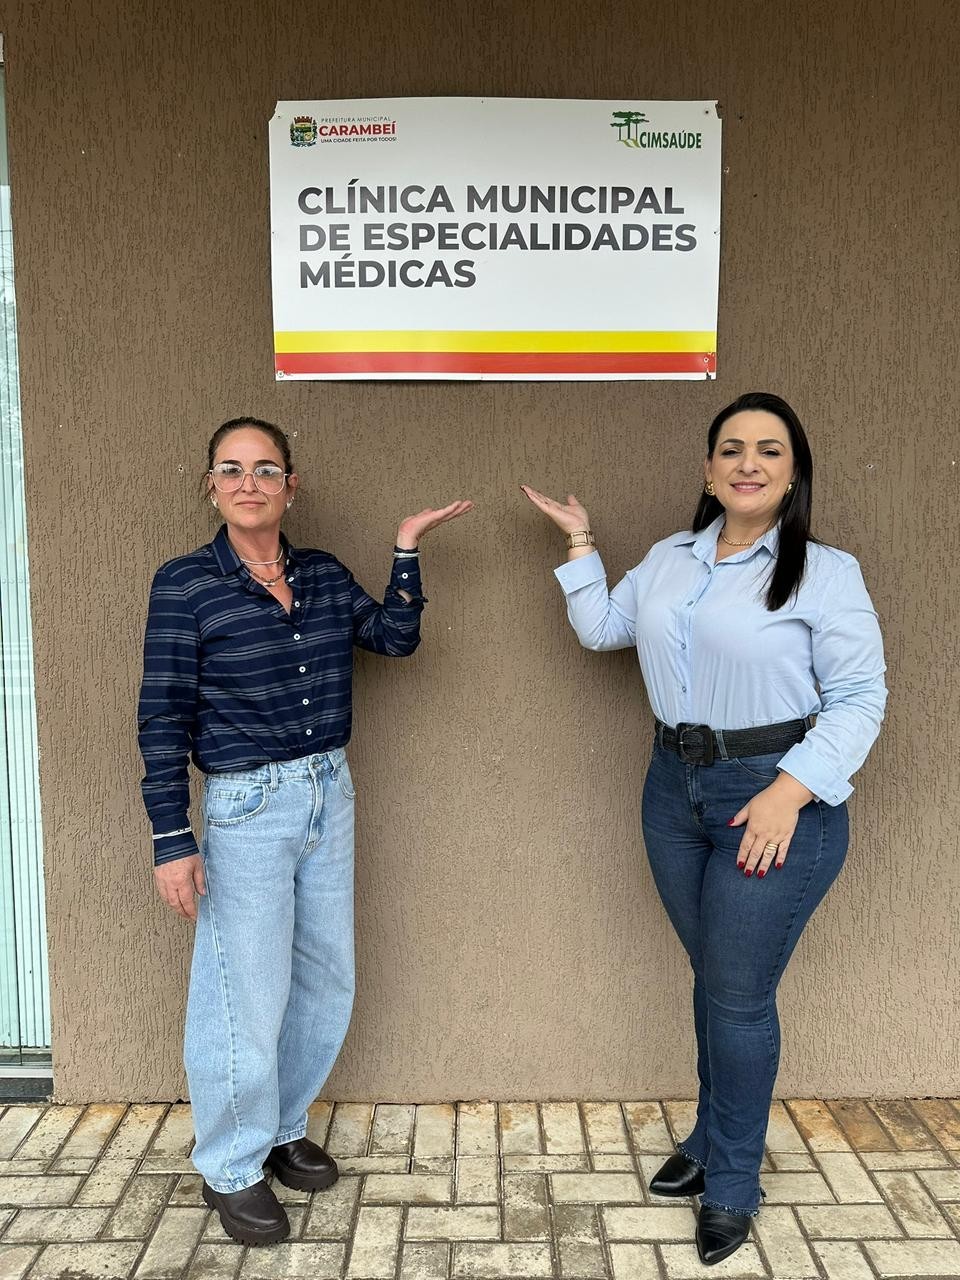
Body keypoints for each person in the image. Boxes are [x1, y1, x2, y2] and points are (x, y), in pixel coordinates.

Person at [521, 391, 886, 1267]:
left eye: (769, 450)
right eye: (732, 449)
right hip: (672, 794)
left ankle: (732, 1182)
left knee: (737, 996)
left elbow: (860, 696)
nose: (748, 463)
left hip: (772, 799)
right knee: (715, 977)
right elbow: (604, 630)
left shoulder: (824, 573)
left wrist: (790, 791)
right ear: (708, 471)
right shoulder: (669, 558)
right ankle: (711, 1135)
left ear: (793, 474)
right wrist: (579, 543)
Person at [138, 416, 471, 1246]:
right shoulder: (185, 585)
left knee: (325, 975)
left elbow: (393, 638)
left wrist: (405, 549)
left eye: (265, 469)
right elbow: (162, 716)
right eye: (231, 469)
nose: (248, 483)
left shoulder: (320, 574)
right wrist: (172, 838)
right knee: (243, 993)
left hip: (329, 789)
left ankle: (282, 1126)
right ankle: (230, 1165)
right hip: (247, 807)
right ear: (210, 485)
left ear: (291, 485)